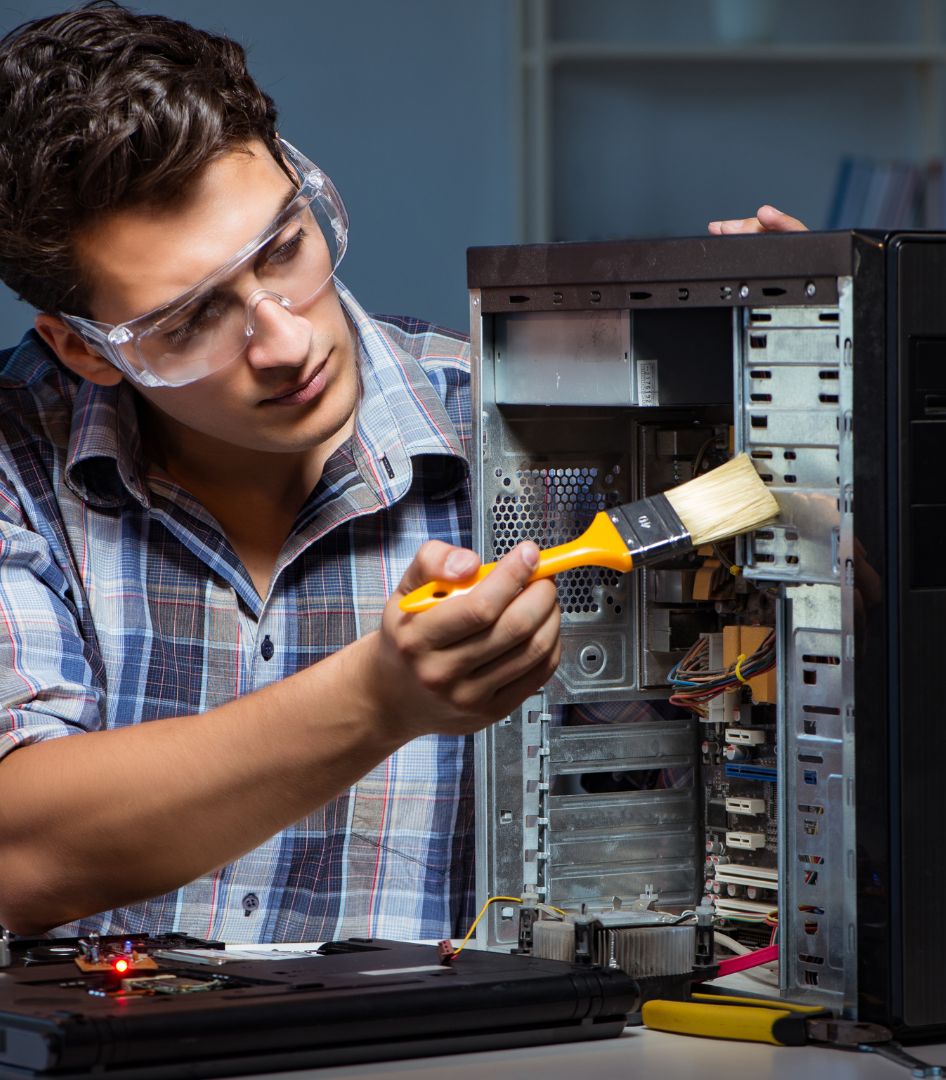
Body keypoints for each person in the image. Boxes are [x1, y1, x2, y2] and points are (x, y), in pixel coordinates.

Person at [0, 1, 562, 941]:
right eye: (189, 321)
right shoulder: (17, 460)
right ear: (86, 351)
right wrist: (379, 699)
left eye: (286, 249)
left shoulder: (535, 434)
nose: (288, 342)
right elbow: (20, 857)